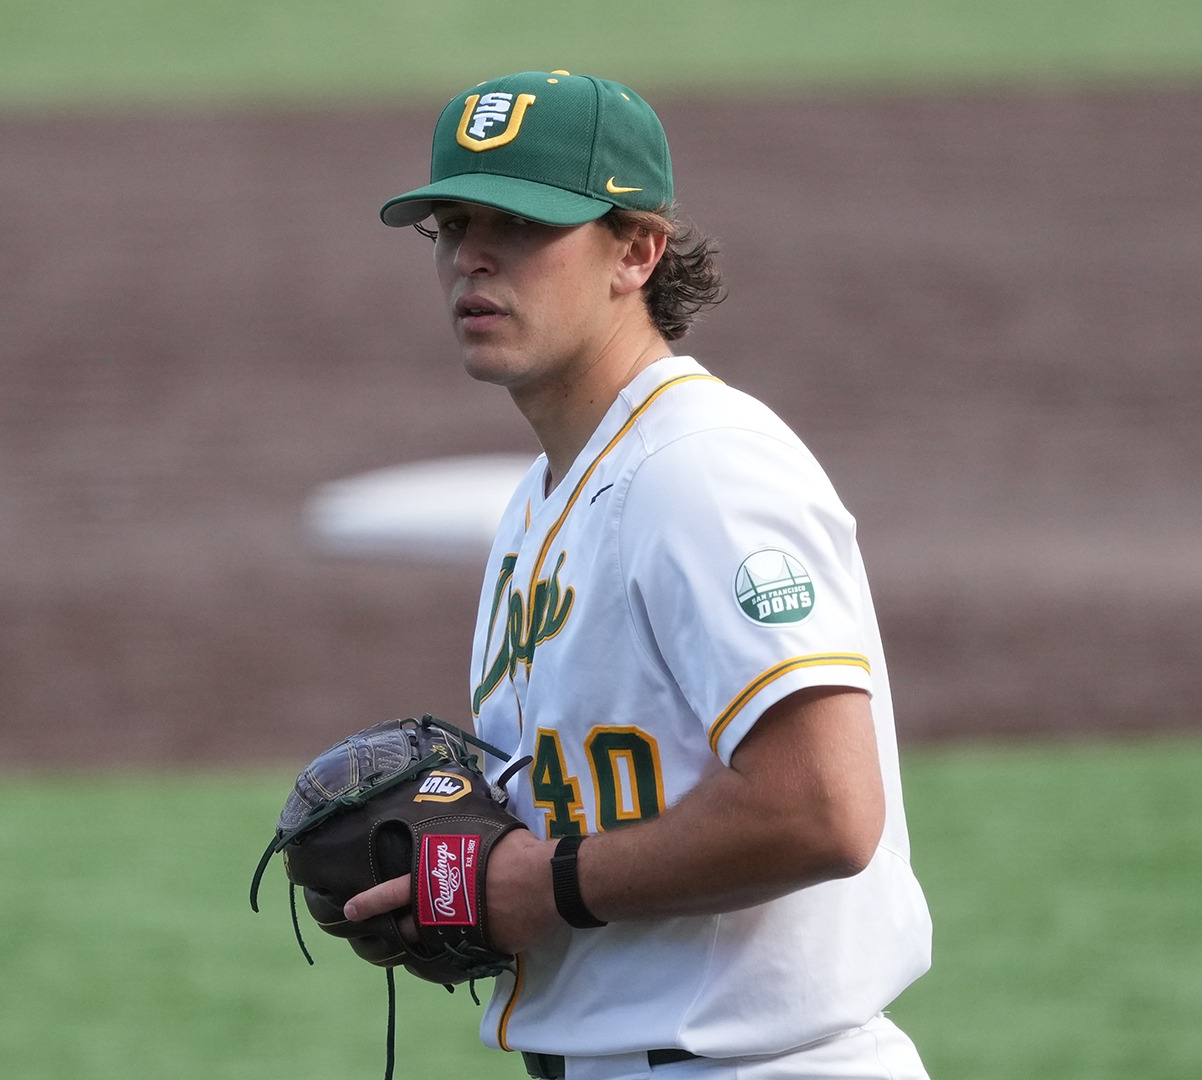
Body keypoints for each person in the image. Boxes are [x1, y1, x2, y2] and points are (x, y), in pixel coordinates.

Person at [345, 70, 934, 1080]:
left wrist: (547, 886)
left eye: (521, 223)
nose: (473, 256)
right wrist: (454, 880)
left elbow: (824, 808)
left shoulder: (700, 469)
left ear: (637, 250)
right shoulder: (546, 496)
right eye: (453, 224)